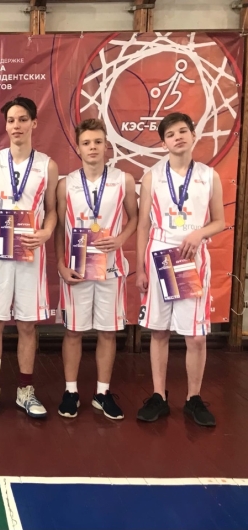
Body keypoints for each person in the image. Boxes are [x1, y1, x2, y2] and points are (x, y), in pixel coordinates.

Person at [135, 112, 225, 427]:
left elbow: (219, 221)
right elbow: (143, 224)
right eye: (171, 134)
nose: (178, 137)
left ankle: (194, 398)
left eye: (183, 131)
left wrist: (199, 233)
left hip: (192, 257)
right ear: (164, 142)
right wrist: (140, 269)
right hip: (160, 255)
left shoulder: (209, 175)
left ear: (193, 135)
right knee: (159, 331)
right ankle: (158, 396)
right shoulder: (152, 176)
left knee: (195, 337)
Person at [0, 96, 58, 418]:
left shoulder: (47, 165)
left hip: (30, 249)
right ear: (6, 125)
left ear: (34, 123)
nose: (16, 125)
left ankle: (25, 390)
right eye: (11, 120)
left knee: (26, 325)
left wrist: (47, 232)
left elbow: (52, 211)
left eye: (23, 119)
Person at [55, 118, 138, 420]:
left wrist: (120, 239)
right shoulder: (65, 184)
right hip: (76, 269)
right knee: (73, 331)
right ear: (78, 148)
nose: (92, 147)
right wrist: (60, 264)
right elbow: (59, 228)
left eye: (97, 142)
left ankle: (102, 393)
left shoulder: (123, 180)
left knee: (107, 332)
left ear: (107, 146)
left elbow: (135, 218)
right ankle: (71, 391)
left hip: (110, 268)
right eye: (86, 143)